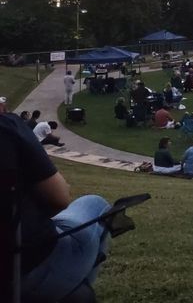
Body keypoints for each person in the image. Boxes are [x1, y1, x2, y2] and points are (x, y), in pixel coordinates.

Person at [0, 99, 113, 301]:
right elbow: (59, 199)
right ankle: (73, 290)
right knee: (96, 204)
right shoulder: (7, 128)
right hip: (24, 269)